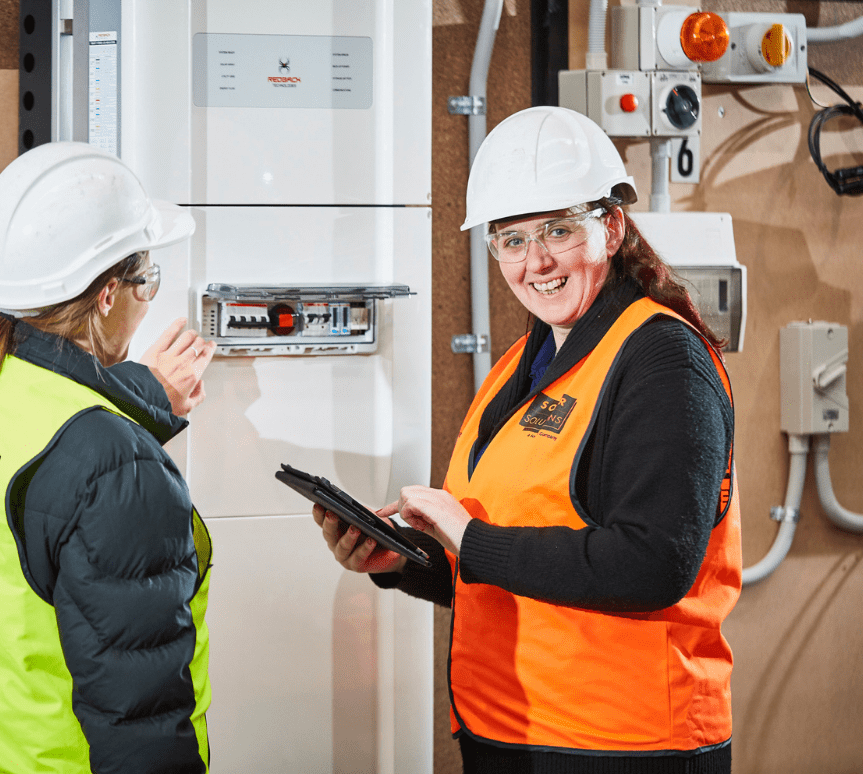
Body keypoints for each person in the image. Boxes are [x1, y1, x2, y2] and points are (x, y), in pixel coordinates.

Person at [314, 106, 741, 774]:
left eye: (558, 231)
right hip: (510, 736)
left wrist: (468, 536)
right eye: (511, 240)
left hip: (623, 748)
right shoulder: (521, 366)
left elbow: (652, 565)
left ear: (611, 227)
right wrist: (404, 562)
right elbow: (507, 563)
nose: (535, 261)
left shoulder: (662, 362)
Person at [0, 142, 218, 773]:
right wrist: (130, 442)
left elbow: (55, 477)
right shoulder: (111, 464)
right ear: (107, 295)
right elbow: (141, 721)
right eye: (147, 279)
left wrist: (145, 394)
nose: (149, 297)